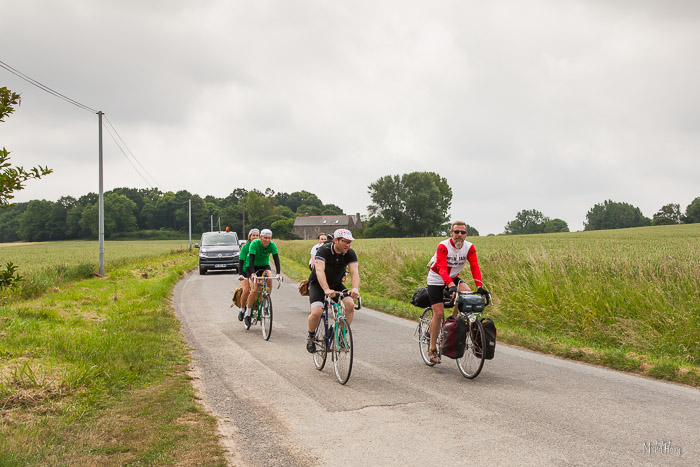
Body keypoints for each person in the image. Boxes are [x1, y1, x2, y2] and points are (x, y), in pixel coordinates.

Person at [426, 221, 489, 364]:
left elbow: (474, 266)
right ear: (451, 233)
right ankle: (432, 349)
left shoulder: (469, 247)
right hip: (436, 278)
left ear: (466, 234)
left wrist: (479, 286)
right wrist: (450, 285)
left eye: (463, 232)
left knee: (467, 293)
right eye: (457, 232)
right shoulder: (443, 246)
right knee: (439, 313)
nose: (460, 235)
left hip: (453, 277)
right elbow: (441, 268)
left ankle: (451, 323)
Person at [305, 228, 360, 353]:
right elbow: (319, 270)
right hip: (318, 284)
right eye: (345, 242)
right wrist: (326, 289)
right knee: (316, 312)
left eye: (350, 242)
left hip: (336, 284)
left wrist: (355, 288)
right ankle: (311, 336)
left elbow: (354, 272)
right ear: (336, 240)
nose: (348, 245)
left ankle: (342, 335)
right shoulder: (323, 250)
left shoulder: (350, 253)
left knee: (350, 305)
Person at [245, 228, 283, 327]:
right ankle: (248, 313)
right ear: (261, 237)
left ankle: (266, 301)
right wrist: (253, 273)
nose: (267, 240)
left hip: (264, 266)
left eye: (269, 238)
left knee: (270, 276)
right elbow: (251, 259)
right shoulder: (255, 244)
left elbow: (276, 259)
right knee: (255, 288)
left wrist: (278, 273)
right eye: (265, 238)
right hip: (252, 266)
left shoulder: (272, 245)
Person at [237, 228, 260, 322]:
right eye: (253, 235)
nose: (255, 237)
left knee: (259, 289)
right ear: (249, 237)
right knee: (246, 290)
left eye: (257, 235)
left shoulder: (260, 246)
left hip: (255, 270)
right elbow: (241, 261)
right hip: (245, 271)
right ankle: (242, 309)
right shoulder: (245, 247)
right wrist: (240, 274)